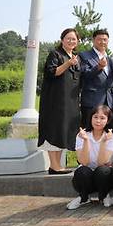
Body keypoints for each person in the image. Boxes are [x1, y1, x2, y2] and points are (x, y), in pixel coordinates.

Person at [38, 28, 81, 174]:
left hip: (70, 101)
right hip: (55, 100)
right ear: (62, 40)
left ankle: (58, 165)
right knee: (54, 130)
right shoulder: (55, 54)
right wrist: (68, 63)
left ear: (77, 42)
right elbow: (52, 72)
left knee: (64, 130)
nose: (71, 41)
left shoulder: (75, 56)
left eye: (74, 39)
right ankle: (53, 165)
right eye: (68, 38)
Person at [66, 105, 113, 210]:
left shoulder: (111, 137)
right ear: (91, 118)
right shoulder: (82, 135)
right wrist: (86, 140)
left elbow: (101, 162)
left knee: (103, 170)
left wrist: (103, 142)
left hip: (104, 176)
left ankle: (104, 196)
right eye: (95, 117)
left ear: (108, 120)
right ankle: (84, 198)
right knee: (82, 171)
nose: (98, 121)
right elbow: (84, 162)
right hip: (87, 176)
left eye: (102, 118)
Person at [79, 29, 113, 129]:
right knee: (88, 130)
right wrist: (98, 67)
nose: (102, 42)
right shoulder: (84, 56)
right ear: (93, 40)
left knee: (106, 132)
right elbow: (84, 75)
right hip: (92, 101)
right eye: (99, 39)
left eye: (105, 40)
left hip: (108, 101)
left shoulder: (109, 58)